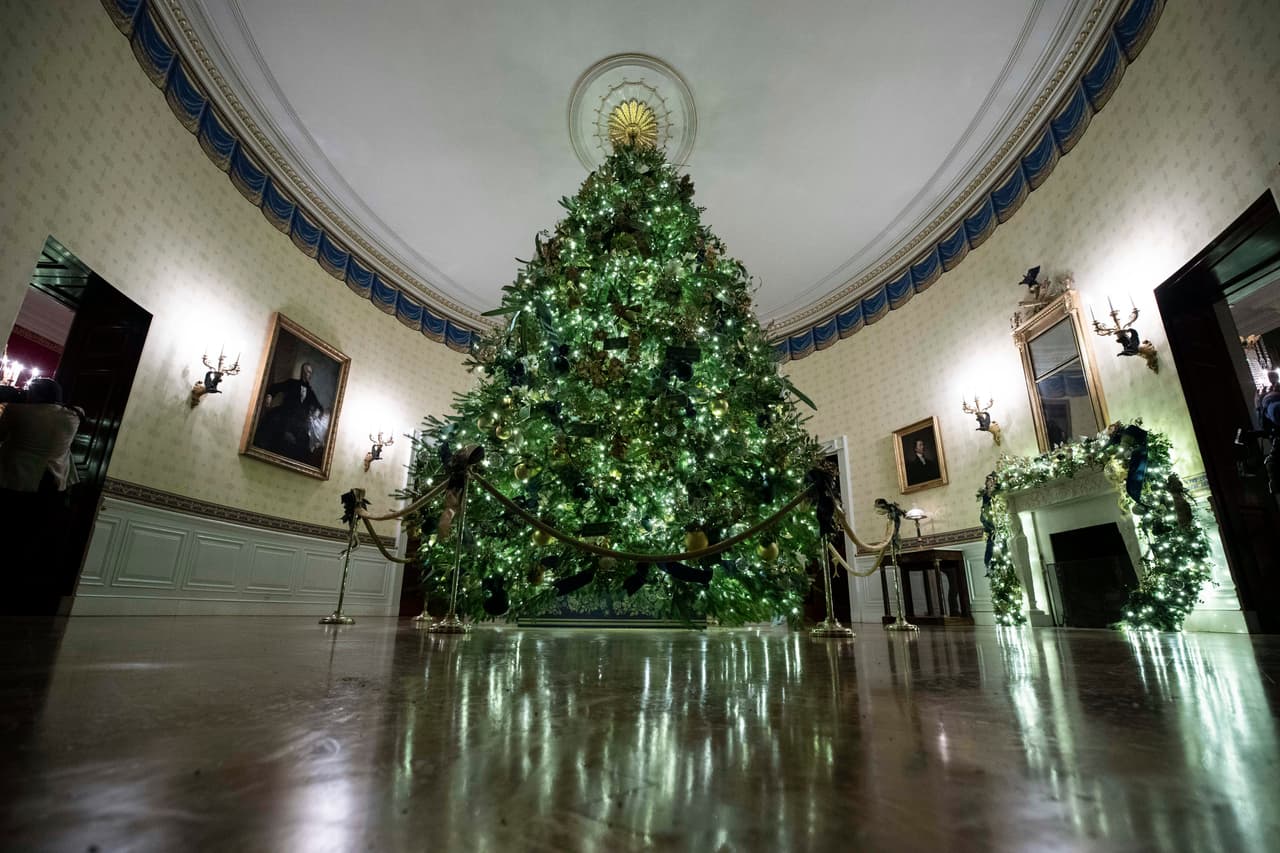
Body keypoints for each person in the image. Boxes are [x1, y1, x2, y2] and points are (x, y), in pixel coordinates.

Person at [256, 362, 326, 464]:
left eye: (310, 373)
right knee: (273, 428)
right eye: (307, 372)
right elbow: (276, 387)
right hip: (286, 415)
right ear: (302, 372)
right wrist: (270, 395)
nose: (308, 375)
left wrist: (317, 412)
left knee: (303, 443)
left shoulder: (310, 392)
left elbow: (319, 406)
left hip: (300, 421)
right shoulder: (292, 383)